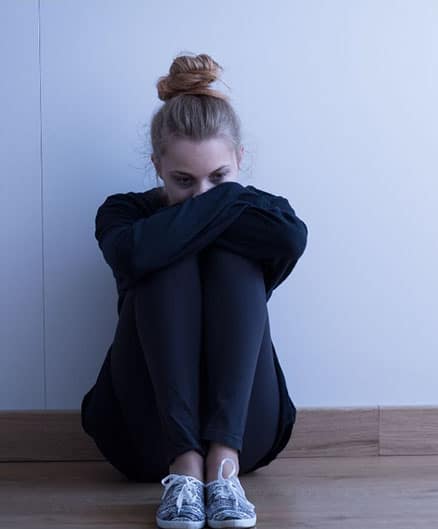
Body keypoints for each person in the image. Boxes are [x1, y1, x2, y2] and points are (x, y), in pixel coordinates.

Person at [79, 52, 308, 529]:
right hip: (141, 436)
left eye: (220, 179)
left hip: (249, 433)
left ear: (240, 160)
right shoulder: (123, 212)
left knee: (224, 255)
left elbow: (292, 238)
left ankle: (222, 468)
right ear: (157, 165)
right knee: (163, 255)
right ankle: (183, 467)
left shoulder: (270, 220)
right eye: (184, 181)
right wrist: (226, 201)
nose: (203, 194)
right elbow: (133, 255)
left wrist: (192, 213)